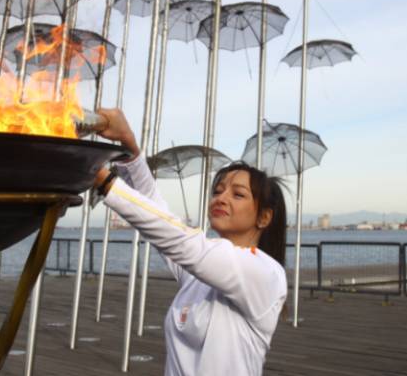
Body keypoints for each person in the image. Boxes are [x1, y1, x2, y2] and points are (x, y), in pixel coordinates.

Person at [92, 108, 288, 376]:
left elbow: (182, 241)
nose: (220, 198)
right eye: (218, 191)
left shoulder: (264, 273)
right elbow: (157, 211)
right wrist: (130, 149)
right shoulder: (200, 275)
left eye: (238, 194)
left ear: (264, 217)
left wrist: (105, 181)